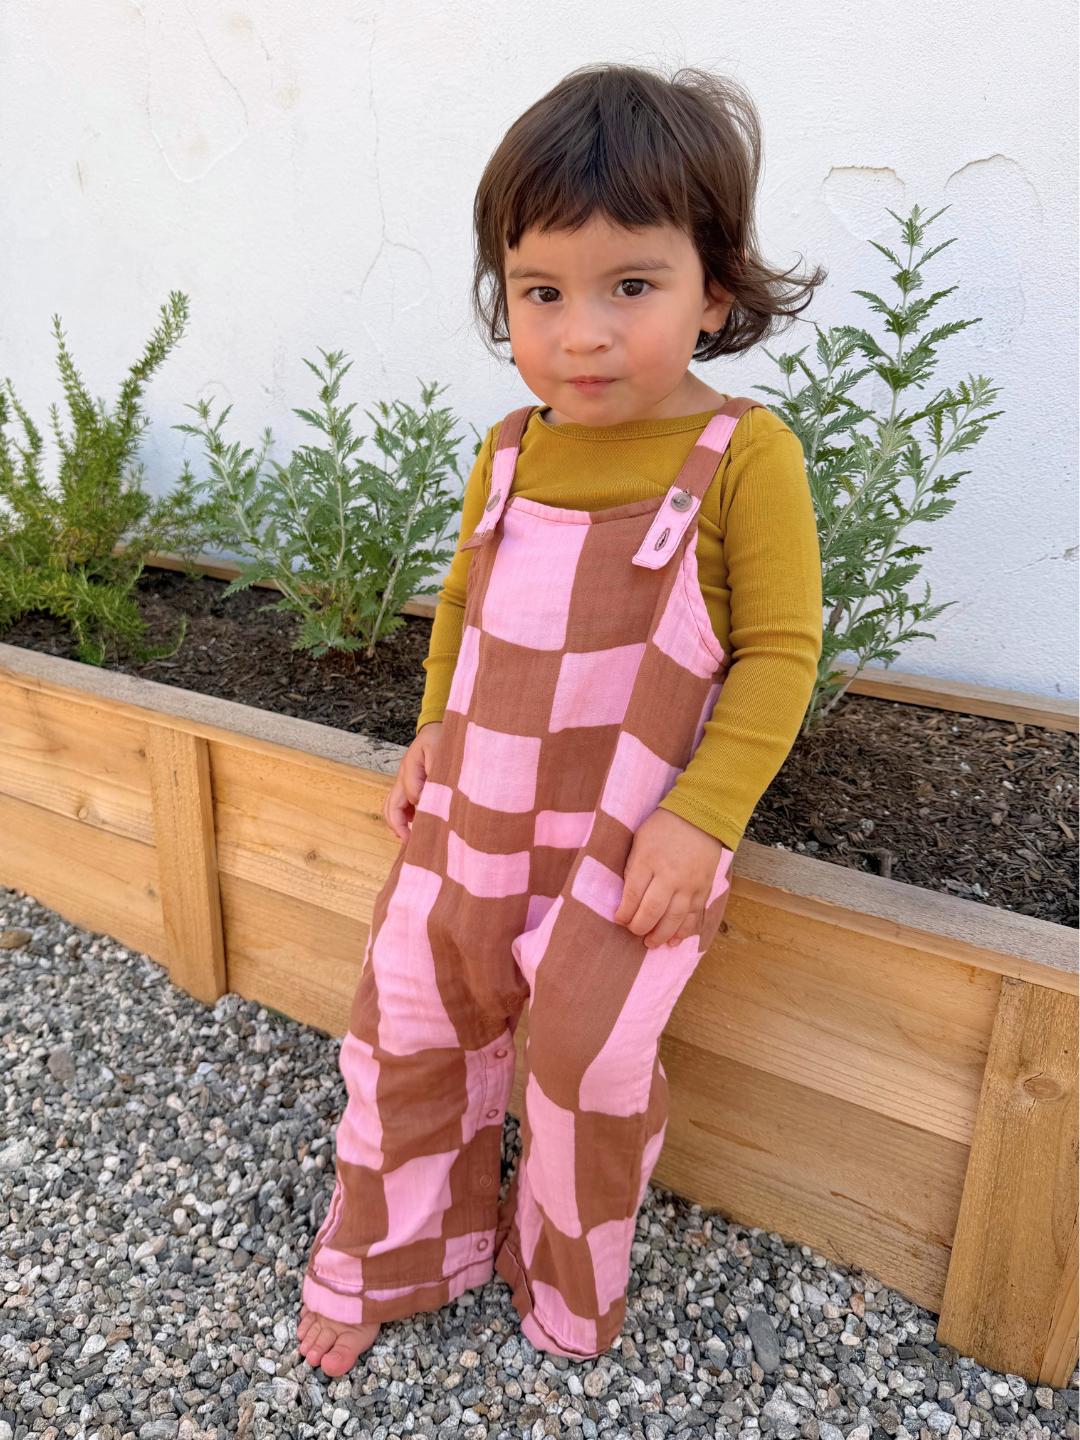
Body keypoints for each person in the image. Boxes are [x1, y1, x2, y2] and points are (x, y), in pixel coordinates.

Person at [298, 62, 823, 1375]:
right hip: (471, 821)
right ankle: (393, 1249)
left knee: (585, 1073)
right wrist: (429, 732)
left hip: (629, 848)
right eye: (542, 293)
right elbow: (465, 606)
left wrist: (703, 820)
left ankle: (566, 1286)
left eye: (628, 288)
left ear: (716, 290)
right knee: (408, 1028)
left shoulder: (743, 458)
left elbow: (777, 652)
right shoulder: (510, 450)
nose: (579, 333)